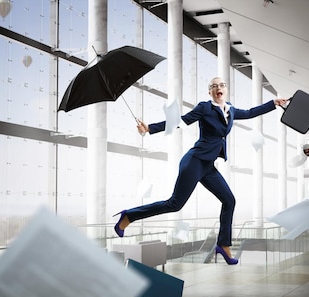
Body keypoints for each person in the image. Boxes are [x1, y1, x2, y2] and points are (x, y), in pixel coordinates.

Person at [114, 77, 288, 265]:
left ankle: (224, 245)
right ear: (210, 92)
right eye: (214, 86)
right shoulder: (205, 107)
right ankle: (129, 216)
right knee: (175, 204)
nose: (218, 88)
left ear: (226, 89)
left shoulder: (230, 109)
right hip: (194, 161)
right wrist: (150, 128)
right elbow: (182, 121)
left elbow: (251, 113)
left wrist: (274, 103)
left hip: (208, 166)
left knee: (229, 200)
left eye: (221, 85)